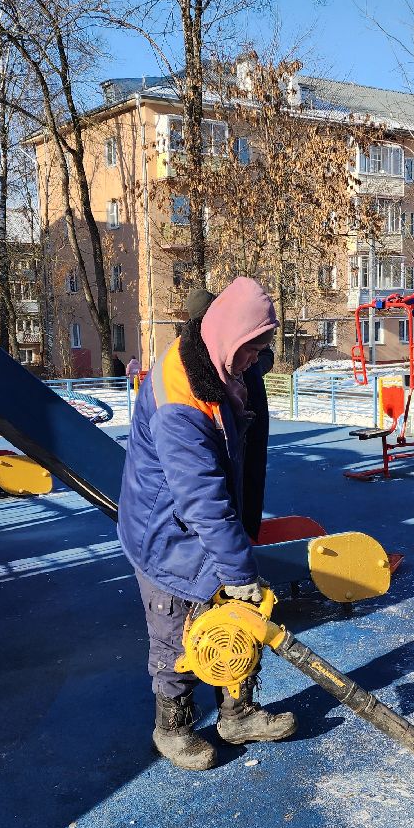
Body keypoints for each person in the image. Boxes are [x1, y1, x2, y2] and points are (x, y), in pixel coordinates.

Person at [118, 277, 295, 770]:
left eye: (261, 349)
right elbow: (202, 501)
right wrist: (239, 573)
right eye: (250, 349)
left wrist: (238, 574)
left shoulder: (220, 359)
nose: (255, 360)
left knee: (239, 617)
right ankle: (172, 728)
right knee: (175, 629)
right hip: (165, 536)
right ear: (226, 337)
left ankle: (237, 714)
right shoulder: (179, 405)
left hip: (200, 523)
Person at [185, 285, 272, 540]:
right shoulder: (204, 362)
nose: (252, 358)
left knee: (242, 477)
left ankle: (244, 532)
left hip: (247, 419)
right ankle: (243, 532)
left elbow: (264, 355)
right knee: (234, 480)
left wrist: (251, 363)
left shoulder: (236, 352)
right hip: (238, 424)